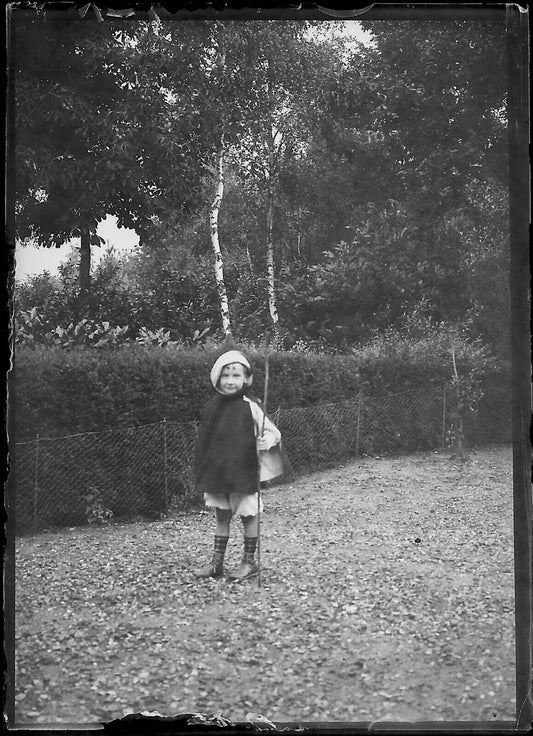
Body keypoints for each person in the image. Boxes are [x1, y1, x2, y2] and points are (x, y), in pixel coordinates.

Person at [194, 348, 282, 582]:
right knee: (221, 516)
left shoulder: (250, 406)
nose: (231, 381)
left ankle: (249, 562)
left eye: (236, 375)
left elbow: (274, 433)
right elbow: (206, 440)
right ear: (217, 377)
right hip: (219, 473)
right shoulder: (212, 406)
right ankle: (217, 563)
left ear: (246, 379)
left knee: (248, 515)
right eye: (226, 375)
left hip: (243, 472)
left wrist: (267, 440)